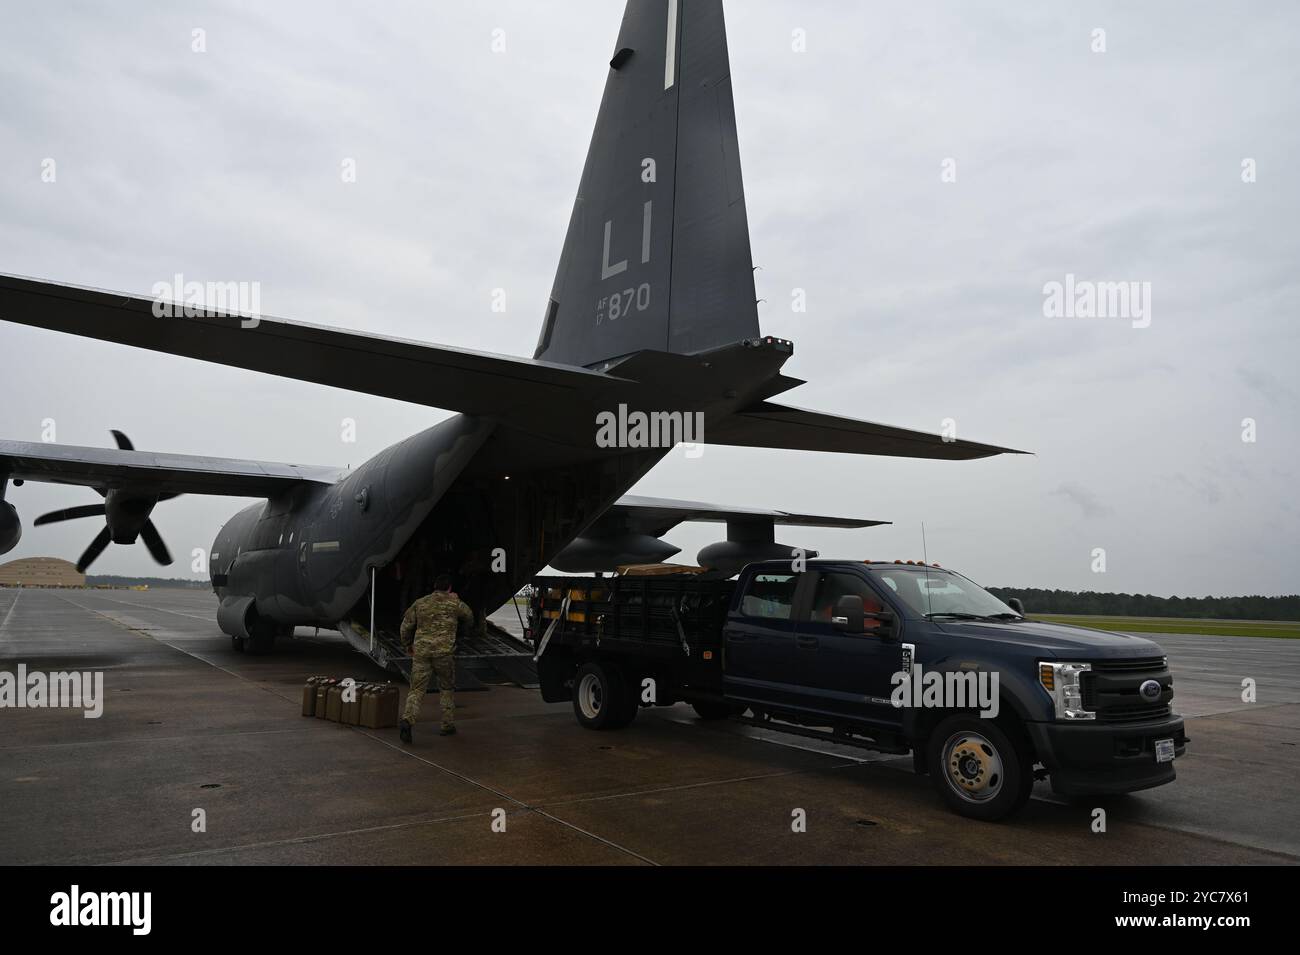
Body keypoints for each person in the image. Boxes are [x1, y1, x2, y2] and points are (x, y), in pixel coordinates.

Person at [398, 574, 473, 742]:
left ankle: (408, 720)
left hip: (421, 653)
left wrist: (408, 644)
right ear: (449, 588)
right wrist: (462, 633)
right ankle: (447, 725)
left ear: (434, 587)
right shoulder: (454, 603)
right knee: (446, 688)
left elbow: (405, 626)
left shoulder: (420, 603)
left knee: (416, 690)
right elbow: (469, 616)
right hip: (444, 654)